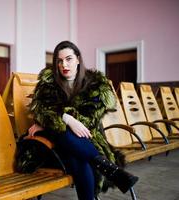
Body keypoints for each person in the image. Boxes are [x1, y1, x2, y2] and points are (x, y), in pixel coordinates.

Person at [27, 41, 138, 200]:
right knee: (63, 131)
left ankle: (107, 169)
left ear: (78, 59)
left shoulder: (95, 85)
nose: (64, 64)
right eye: (59, 61)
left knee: (78, 157)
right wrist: (67, 118)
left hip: (83, 142)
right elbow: (41, 109)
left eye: (69, 59)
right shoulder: (48, 84)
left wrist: (54, 118)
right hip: (51, 148)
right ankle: (110, 169)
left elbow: (88, 119)